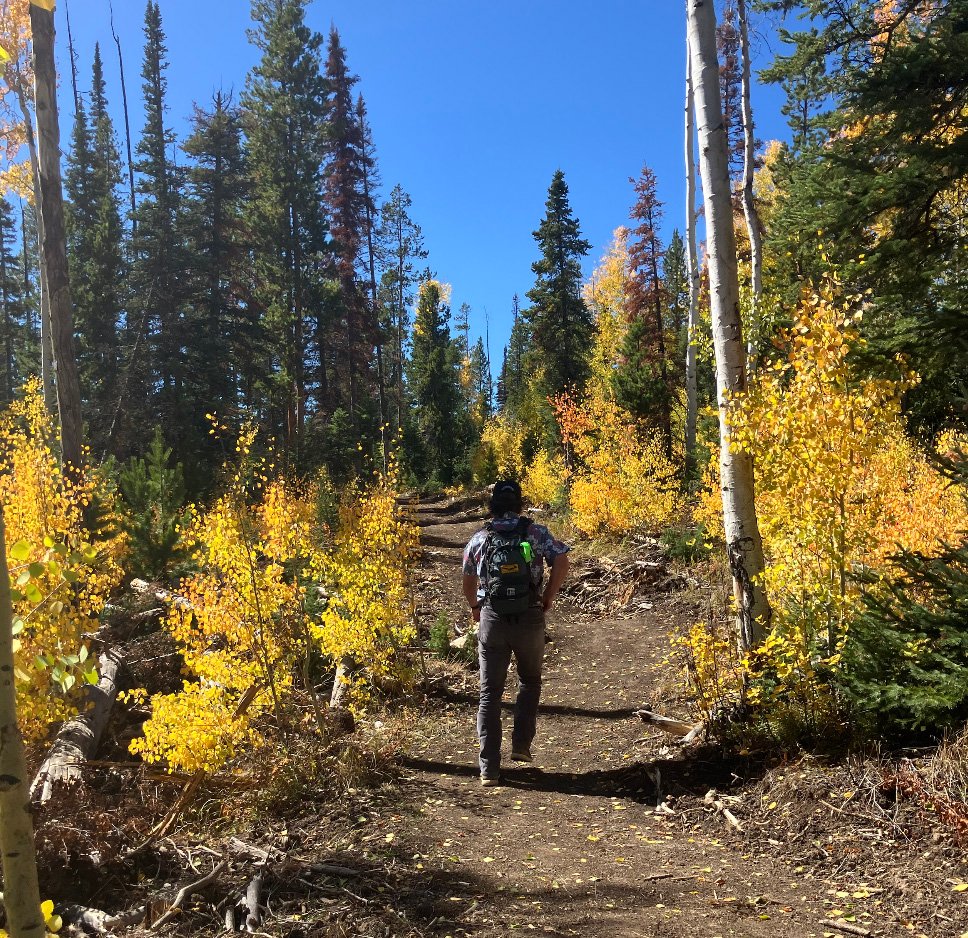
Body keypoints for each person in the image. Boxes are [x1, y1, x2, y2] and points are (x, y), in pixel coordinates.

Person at [462, 480, 571, 786]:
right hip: (530, 616)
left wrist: (475, 607)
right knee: (530, 681)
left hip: (493, 618)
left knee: (489, 693)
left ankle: (489, 769)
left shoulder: (480, 538)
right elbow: (562, 560)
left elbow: (468, 579)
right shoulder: (536, 532)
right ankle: (521, 745)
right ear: (519, 503)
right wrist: (549, 595)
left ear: (493, 504)